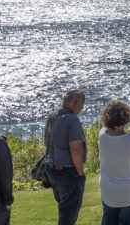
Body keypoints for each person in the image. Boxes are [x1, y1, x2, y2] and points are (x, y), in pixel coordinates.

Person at [44, 89, 87, 225]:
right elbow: (75, 150)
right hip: (68, 171)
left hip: (51, 168)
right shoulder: (72, 120)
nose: (82, 107)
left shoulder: (53, 116)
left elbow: (46, 142)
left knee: (63, 206)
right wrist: (80, 173)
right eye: (81, 104)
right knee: (69, 212)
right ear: (75, 103)